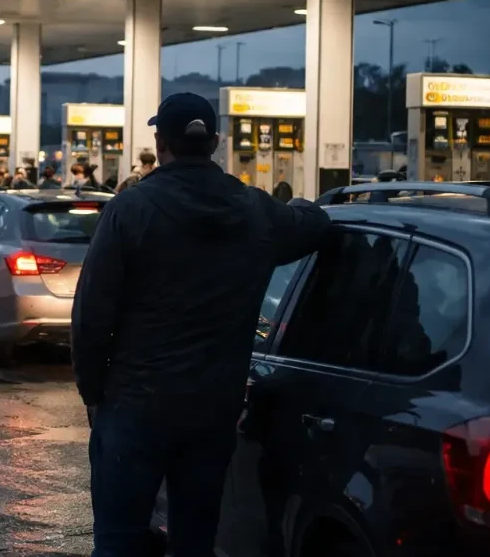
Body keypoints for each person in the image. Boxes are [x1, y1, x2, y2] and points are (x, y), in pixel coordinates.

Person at [71, 92, 330, 557]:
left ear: (160, 143)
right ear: (214, 143)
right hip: (212, 409)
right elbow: (314, 225)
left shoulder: (129, 210)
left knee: (118, 542)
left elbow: (91, 316)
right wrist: (311, 203)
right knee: (196, 542)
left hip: (135, 404)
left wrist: (93, 392)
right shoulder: (255, 211)